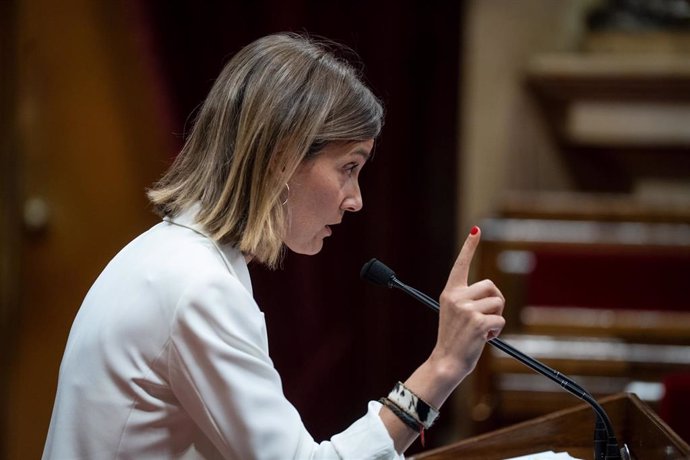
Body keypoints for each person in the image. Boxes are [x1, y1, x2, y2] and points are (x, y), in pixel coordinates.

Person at [43, 32, 505, 459]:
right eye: (348, 167)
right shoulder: (197, 288)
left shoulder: (173, 256)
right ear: (283, 156)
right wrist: (442, 367)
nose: (356, 201)